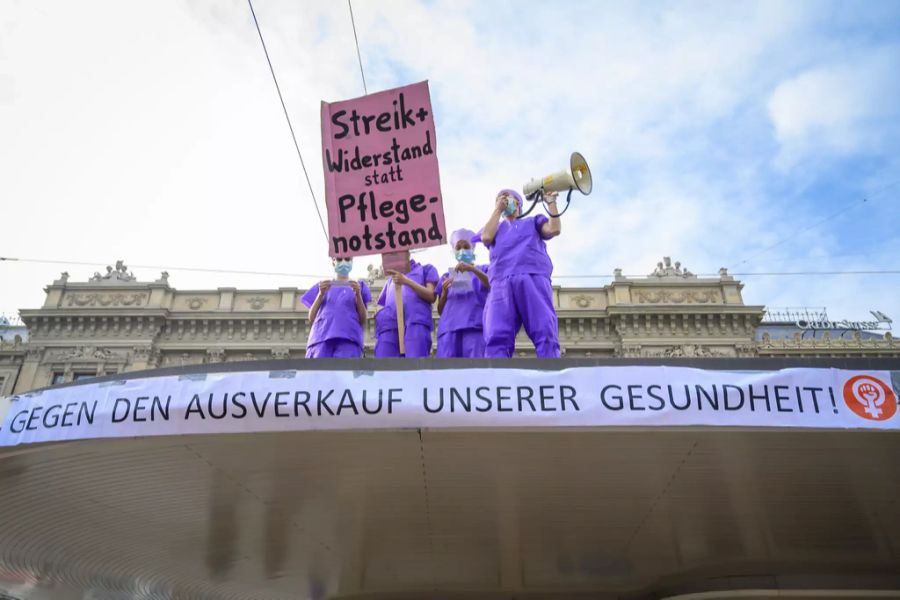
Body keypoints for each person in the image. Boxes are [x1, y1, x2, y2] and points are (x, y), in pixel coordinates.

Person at [479, 188, 562, 358]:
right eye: (499, 198)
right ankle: (497, 376)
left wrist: (551, 203)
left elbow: (554, 229)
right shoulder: (495, 228)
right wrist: (497, 210)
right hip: (501, 282)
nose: (503, 200)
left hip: (532, 276)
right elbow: (486, 237)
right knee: (497, 332)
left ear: (518, 203)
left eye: (507, 198)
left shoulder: (532, 221)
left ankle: (552, 371)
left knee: (543, 327)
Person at [301, 257, 371, 358]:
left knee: (344, 372)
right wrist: (320, 294)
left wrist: (358, 295)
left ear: (352, 262)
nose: (343, 262)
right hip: (321, 339)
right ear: (333, 262)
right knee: (319, 372)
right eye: (339, 259)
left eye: (347, 259)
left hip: (348, 339)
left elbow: (363, 319)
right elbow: (312, 317)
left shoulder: (359, 286)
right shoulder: (322, 286)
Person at [436, 228, 490, 358]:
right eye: (458, 247)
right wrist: (444, 292)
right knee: (449, 372)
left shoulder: (484, 270)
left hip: (475, 328)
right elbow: (440, 310)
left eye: (466, 246)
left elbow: (492, 284)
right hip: (449, 330)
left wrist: (472, 269)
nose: (462, 250)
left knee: (475, 370)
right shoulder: (447, 276)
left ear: (473, 248)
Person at [374, 251, 439, 357]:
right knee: (385, 367)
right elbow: (382, 304)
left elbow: (432, 296)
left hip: (415, 323)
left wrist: (406, 281)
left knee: (414, 365)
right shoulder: (390, 280)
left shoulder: (425, 269)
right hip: (390, 329)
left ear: (408, 253)